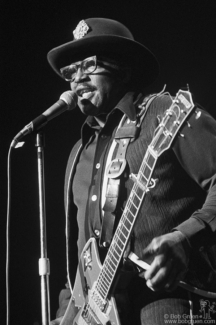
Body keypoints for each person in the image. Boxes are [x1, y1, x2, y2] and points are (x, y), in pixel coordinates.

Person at [48, 18, 216, 325]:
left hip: (171, 304)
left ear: (123, 68)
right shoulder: (78, 155)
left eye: (88, 65)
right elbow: (83, 259)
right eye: (71, 72)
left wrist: (185, 237)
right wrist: (66, 315)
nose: (77, 80)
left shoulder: (164, 113)